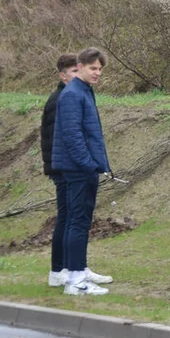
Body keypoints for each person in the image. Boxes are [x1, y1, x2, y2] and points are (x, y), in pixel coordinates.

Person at [52, 47, 114, 296]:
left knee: (79, 221)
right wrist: (88, 164)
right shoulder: (72, 95)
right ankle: (75, 280)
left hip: (83, 167)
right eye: (93, 68)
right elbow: (72, 136)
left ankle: (77, 270)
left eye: (100, 69)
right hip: (78, 169)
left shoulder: (83, 91)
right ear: (80, 67)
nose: (97, 73)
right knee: (77, 221)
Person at [41, 53, 78, 288]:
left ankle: (75, 266)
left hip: (69, 168)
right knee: (66, 218)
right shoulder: (59, 100)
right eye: (74, 71)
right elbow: (58, 139)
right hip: (62, 169)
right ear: (62, 75)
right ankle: (58, 270)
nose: (79, 75)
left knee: (74, 218)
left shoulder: (71, 97)